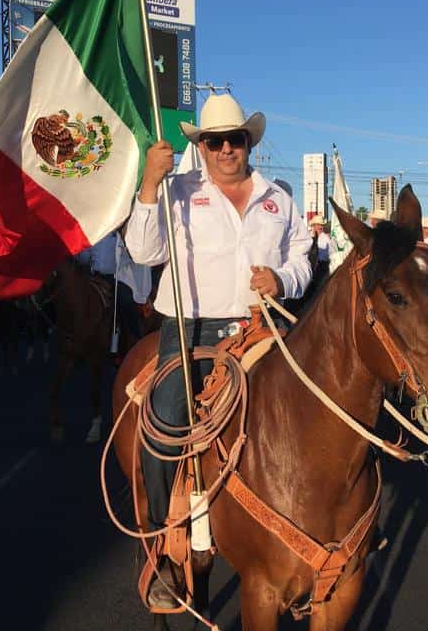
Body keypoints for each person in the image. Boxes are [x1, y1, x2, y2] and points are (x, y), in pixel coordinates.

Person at [125, 92, 311, 609]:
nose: (226, 148)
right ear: (202, 147)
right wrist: (148, 182)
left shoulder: (279, 197)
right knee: (164, 423)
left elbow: (303, 256)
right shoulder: (176, 191)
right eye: (215, 141)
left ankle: (310, 542)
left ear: (249, 142)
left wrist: (282, 277)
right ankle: (165, 552)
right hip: (193, 329)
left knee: (310, 416)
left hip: (263, 323)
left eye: (235, 139)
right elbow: (143, 251)